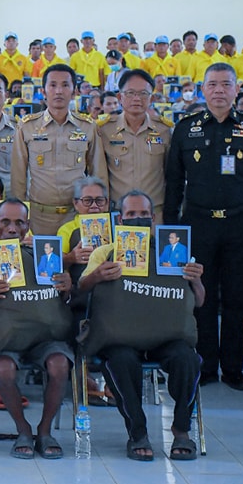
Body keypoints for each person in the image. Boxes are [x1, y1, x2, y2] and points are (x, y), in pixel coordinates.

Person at [80, 191, 204, 460]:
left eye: (143, 215)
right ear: (120, 220)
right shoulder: (105, 251)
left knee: (188, 359)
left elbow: (200, 301)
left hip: (166, 337)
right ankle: (138, 433)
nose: (138, 219)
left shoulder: (174, 251)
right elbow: (81, 288)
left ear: (153, 217)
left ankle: (182, 430)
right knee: (120, 361)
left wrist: (196, 281)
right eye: (132, 215)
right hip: (121, 337)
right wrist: (98, 275)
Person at [0, 199, 73, 460]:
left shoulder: (44, 256)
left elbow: (65, 303)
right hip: (4, 340)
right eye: (5, 222)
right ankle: (23, 430)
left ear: (28, 226)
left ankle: (44, 431)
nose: (12, 228)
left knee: (59, 365)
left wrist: (68, 287)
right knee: (4, 368)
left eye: (19, 222)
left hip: (45, 337)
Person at [164, 62, 243, 389]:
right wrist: (172, 229)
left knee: (238, 298)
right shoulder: (187, 128)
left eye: (225, 84)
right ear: (202, 89)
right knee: (202, 297)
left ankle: (232, 369)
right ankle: (206, 366)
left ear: (236, 89)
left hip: (240, 224)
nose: (218, 91)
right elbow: (174, 183)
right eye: (212, 84)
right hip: (198, 224)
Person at [11, 64, 107, 235]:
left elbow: (98, 173)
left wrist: (98, 211)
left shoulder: (88, 127)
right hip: (38, 217)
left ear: (74, 91)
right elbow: (18, 176)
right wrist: (19, 216)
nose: (59, 91)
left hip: (77, 215)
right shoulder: (27, 126)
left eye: (65, 85)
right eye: (53, 85)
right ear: (43, 90)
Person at [98, 69, 171, 217]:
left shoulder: (164, 130)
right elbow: (99, 173)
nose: (137, 99)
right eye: (130, 93)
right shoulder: (105, 130)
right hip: (119, 214)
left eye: (143, 93)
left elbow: (170, 173)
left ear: (151, 98)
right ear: (120, 97)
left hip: (153, 215)